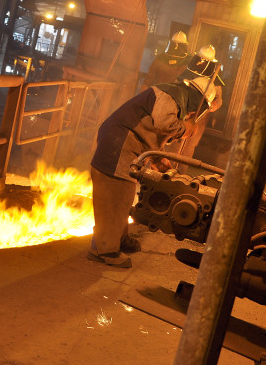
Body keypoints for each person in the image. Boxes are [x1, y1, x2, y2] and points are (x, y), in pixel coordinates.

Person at [88, 45, 223, 268]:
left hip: (125, 144)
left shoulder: (176, 97)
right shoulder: (172, 95)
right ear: (196, 97)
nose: (193, 114)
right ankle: (104, 249)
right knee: (115, 198)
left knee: (124, 197)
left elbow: (150, 133)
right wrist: (185, 128)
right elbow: (163, 123)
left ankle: (119, 238)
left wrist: (158, 159)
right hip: (118, 144)